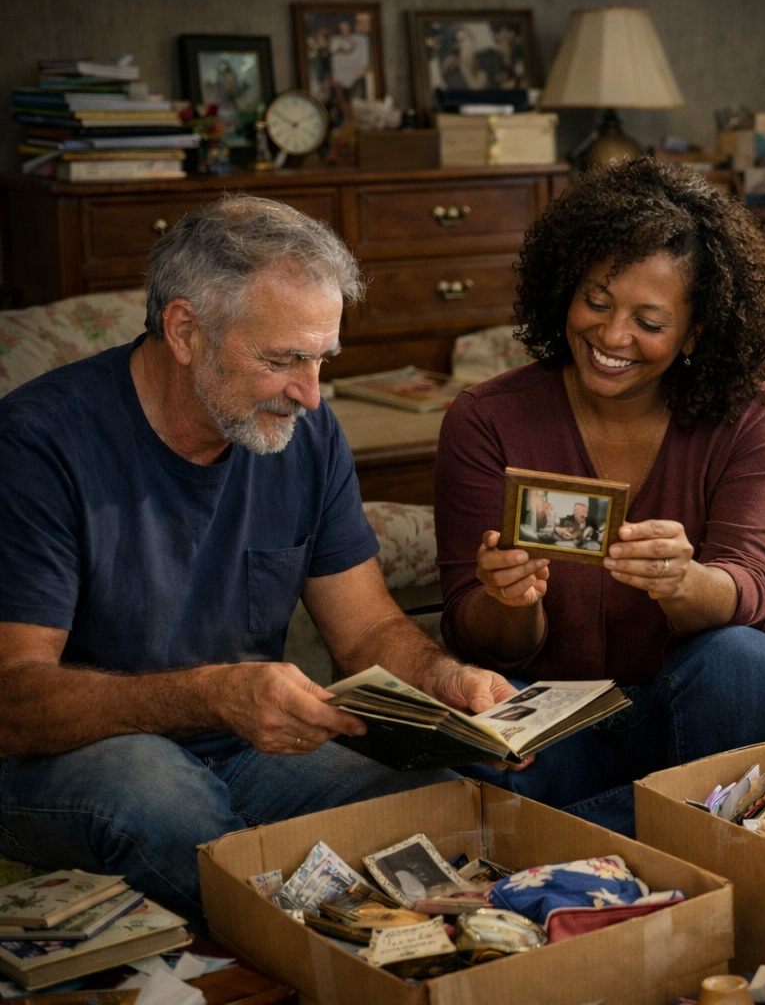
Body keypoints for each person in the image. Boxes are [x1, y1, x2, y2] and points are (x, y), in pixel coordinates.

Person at [0, 196, 520, 927]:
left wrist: (444, 678)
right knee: (163, 798)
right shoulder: (36, 446)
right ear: (184, 330)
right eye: (282, 360)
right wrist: (213, 695)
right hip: (79, 758)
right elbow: (14, 701)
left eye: (320, 359)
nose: (310, 394)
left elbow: (367, 630)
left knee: (440, 791)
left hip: (248, 747)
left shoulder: (305, 432)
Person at [434, 157, 765, 834]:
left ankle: (586, 835)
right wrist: (508, 602)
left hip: (687, 705)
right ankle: (699, 826)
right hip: (550, 714)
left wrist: (684, 581)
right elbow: (471, 631)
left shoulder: (753, 418)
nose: (612, 337)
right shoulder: (486, 418)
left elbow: (752, 589)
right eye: (598, 302)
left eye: (649, 320)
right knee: (472, 760)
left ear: (698, 330)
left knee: (744, 664)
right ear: (565, 290)